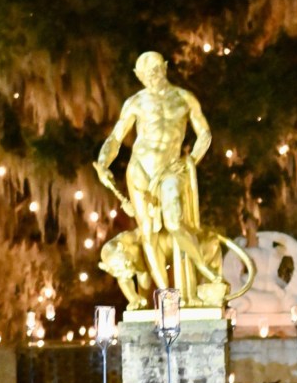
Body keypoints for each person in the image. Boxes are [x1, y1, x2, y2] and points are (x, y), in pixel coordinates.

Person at [94, 52, 222, 303]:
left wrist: (191, 162)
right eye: (145, 72)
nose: (152, 75)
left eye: (155, 68)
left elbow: (204, 134)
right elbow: (116, 138)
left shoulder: (184, 99)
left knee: (174, 223)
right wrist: (103, 161)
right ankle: (167, 295)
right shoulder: (135, 102)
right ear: (138, 76)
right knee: (148, 234)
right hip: (139, 170)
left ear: (165, 67)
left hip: (169, 171)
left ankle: (205, 271)